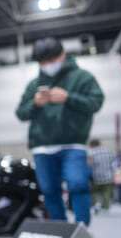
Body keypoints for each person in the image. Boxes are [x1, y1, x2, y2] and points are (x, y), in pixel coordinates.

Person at [15, 37, 104, 225]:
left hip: (73, 144)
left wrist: (69, 98)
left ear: (62, 55)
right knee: (48, 189)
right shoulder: (34, 84)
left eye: (51, 60)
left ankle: (82, 228)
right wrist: (35, 104)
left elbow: (96, 102)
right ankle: (60, 228)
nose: (47, 65)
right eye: (43, 62)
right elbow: (21, 113)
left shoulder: (83, 77)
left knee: (78, 184)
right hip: (42, 147)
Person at [88, 139, 115, 212]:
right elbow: (113, 162)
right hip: (108, 176)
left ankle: (96, 204)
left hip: (95, 177)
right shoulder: (108, 151)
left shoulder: (91, 152)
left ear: (91, 145)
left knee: (94, 192)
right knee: (106, 192)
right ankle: (105, 207)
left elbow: (89, 164)